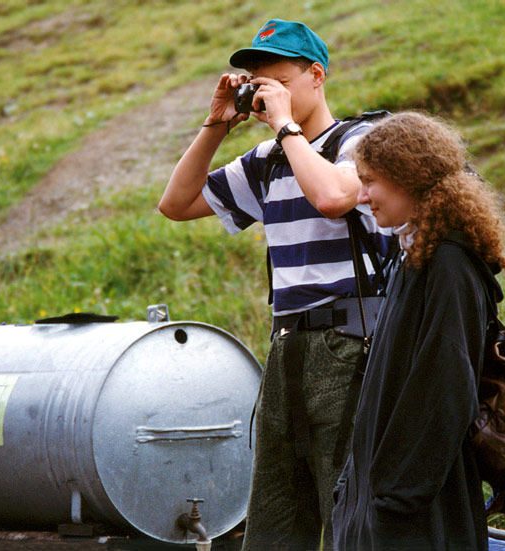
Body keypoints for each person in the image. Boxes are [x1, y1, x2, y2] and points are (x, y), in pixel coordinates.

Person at [159, 19, 393, 551]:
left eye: (277, 81)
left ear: (316, 76)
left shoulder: (361, 140)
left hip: (352, 344)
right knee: (275, 509)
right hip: (287, 345)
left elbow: (334, 197)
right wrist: (216, 124)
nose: (265, 94)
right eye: (255, 83)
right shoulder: (265, 162)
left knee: (346, 504)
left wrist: (286, 128)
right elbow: (175, 204)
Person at [332, 111, 505, 551]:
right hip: (384, 506)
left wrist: (394, 498)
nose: (364, 195)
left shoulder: (449, 264)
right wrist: (351, 490)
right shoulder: (413, 257)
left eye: (371, 180)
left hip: (415, 517)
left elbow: (444, 389)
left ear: (408, 175)